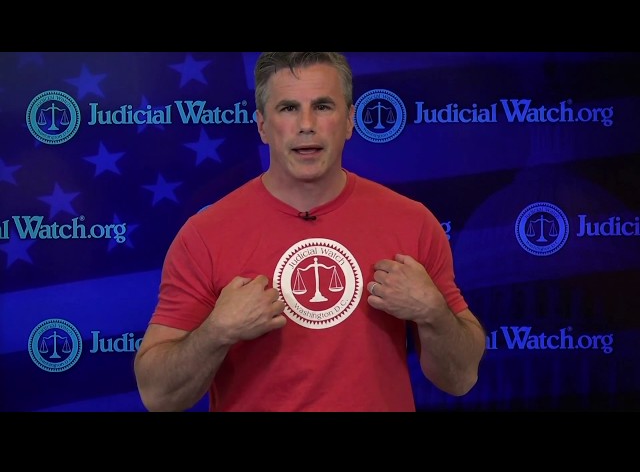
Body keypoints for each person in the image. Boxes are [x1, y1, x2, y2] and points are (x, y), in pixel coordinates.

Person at [133, 52, 486, 412]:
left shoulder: (412, 222)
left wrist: (433, 312)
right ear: (262, 125)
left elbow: (460, 379)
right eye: (288, 108)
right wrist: (216, 332)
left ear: (349, 121)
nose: (306, 124)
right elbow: (158, 396)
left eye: (322, 106)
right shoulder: (205, 235)